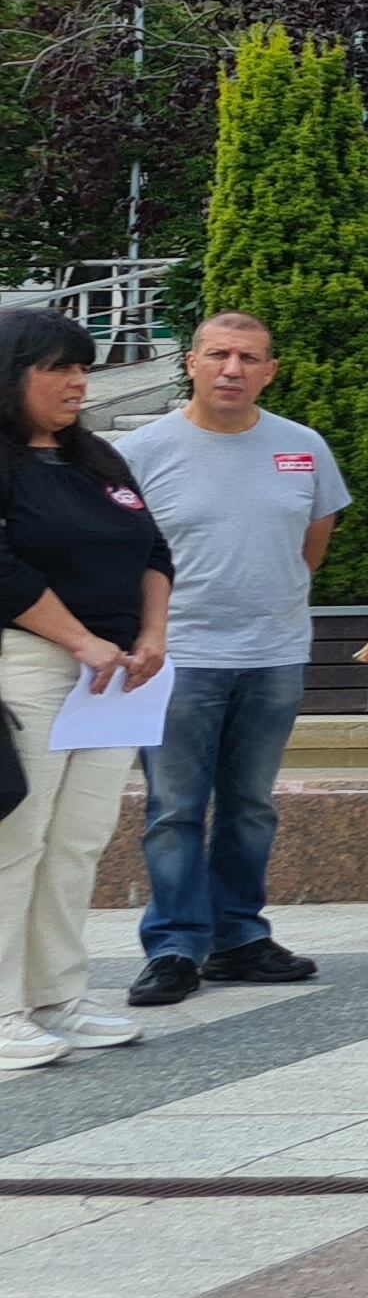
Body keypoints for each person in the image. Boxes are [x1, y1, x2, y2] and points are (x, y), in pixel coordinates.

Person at [117, 312, 342, 1008]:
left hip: (273, 654)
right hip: (177, 656)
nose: (233, 369)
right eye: (219, 354)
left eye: (249, 357)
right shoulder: (141, 451)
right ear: (191, 363)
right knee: (175, 809)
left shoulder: (303, 447)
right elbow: (117, 550)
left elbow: (314, 538)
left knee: (249, 806)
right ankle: (177, 946)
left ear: (271, 370)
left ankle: (240, 936)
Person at [0, 309, 173, 1069]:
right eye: (58, 368)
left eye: (84, 368)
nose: (77, 382)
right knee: (17, 842)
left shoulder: (98, 457)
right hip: (33, 663)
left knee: (76, 843)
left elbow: (154, 548)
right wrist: (76, 639)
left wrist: (152, 636)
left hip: (115, 674)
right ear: (13, 377)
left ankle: (56, 994)